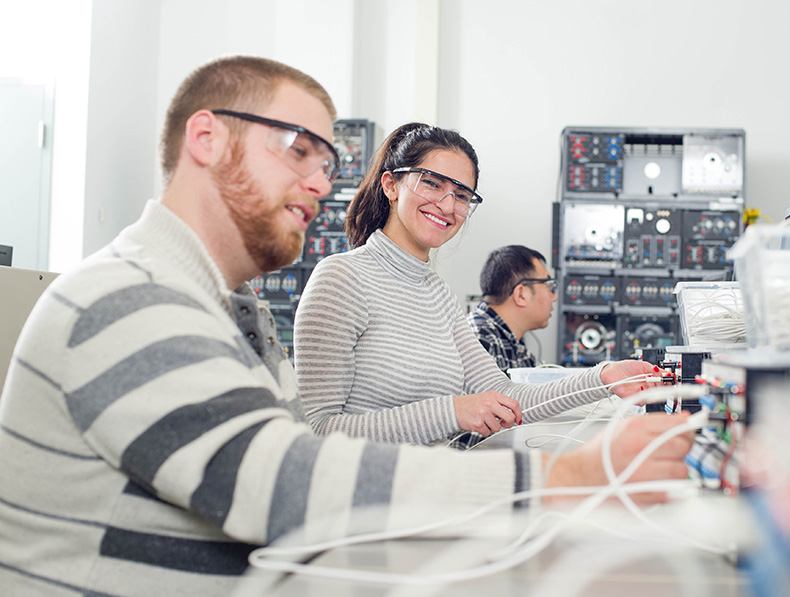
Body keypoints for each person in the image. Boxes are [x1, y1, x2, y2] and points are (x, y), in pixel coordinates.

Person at [0, 57, 692, 597]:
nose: (320, 181)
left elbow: (488, 397)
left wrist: (597, 383)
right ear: (206, 138)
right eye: (297, 149)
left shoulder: (229, 310)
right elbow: (289, 478)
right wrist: (557, 476)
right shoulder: (131, 298)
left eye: (327, 163)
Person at [294, 123, 666, 444]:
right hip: (364, 505)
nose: (447, 204)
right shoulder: (341, 279)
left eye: (461, 195)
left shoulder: (437, 294)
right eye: (432, 183)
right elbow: (319, 430)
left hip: (427, 488)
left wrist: (603, 377)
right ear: (391, 185)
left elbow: (504, 393)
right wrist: (452, 412)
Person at [467, 245, 557, 373]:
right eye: (549, 285)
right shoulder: (479, 342)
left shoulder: (513, 345)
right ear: (521, 294)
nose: (554, 297)